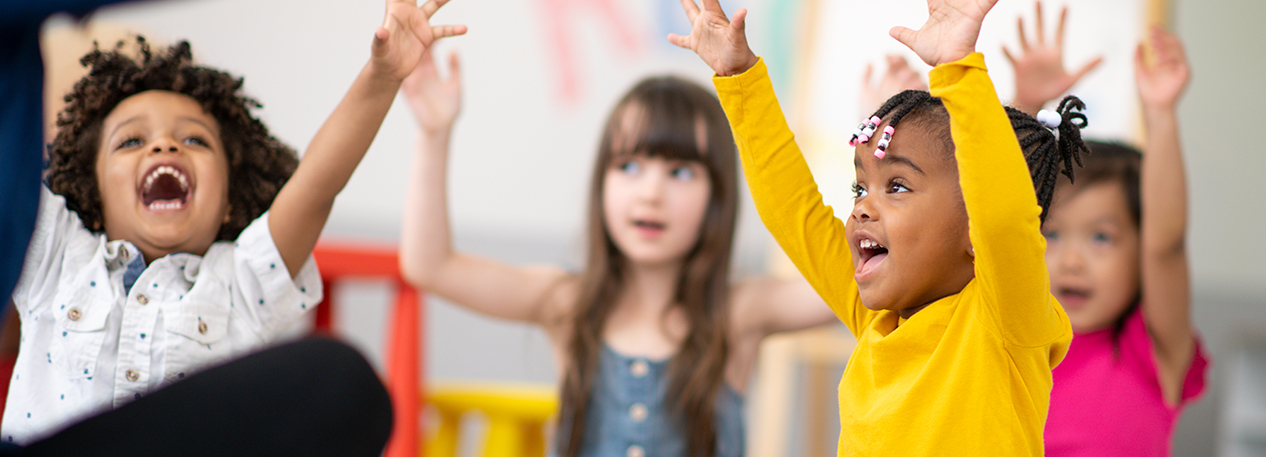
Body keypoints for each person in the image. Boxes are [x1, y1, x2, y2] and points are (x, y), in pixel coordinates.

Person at [4, 0, 465, 444]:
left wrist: (381, 76)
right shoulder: (56, 254)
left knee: (343, 374)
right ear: (93, 192)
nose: (164, 146)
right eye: (130, 142)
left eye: (193, 139)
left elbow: (317, 186)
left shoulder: (242, 283)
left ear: (228, 198)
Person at [669, 0, 1088, 454]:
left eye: (898, 186)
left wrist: (957, 68)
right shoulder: (875, 316)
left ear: (974, 227)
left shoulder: (1006, 318)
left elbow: (1005, 217)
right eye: (859, 188)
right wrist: (739, 78)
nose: (864, 206)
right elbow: (793, 212)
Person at [397, 48, 837, 456]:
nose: (650, 193)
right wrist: (433, 134)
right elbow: (429, 265)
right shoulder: (567, 302)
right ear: (600, 182)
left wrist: (884, 162)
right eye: (629, 166)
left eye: (680, 172)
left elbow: (854, 280)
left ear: (718, 196)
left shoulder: (739, 311)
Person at [1007, 18, 1209, 455]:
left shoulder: (1151, 352)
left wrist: (1160, 115)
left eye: (1100, 238)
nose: (1071, 262)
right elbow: (996, 213)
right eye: (1052, 236)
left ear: (1140, 252)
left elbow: (1166, 244)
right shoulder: (1013, 346)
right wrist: (1026, 107)